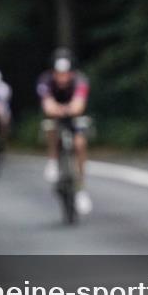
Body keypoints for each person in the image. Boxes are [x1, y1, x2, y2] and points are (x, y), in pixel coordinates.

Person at [36, 49, 92, 214]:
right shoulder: (45, 81)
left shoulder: (80, 81)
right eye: (59, 74)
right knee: (50, 127)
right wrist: (57, 110)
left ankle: (81, 188)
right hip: (56, 116)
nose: (62, 78)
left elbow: (79, 104)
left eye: (65, 74)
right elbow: (47, 105)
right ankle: (53, 160)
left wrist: (68, 109)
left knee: (80, 144)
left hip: (73, 115)